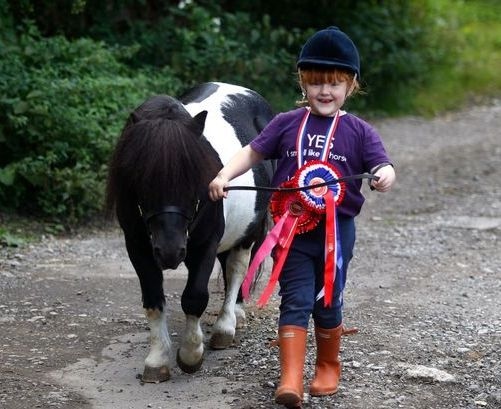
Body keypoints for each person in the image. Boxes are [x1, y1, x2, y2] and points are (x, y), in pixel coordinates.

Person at [209, 26, 396, 408]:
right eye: (315, 83)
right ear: (303, 82)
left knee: (328, 300)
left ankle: (328, 366)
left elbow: (383, 164)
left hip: (336, 232)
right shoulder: (285, 123)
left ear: (351, 85)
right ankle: (291, 376)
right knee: (294, 298)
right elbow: (252, 153)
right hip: (289, 229)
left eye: (334, 83)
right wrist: (224, 174)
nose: (324, 92)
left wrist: (385, 175)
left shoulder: (359, 131)